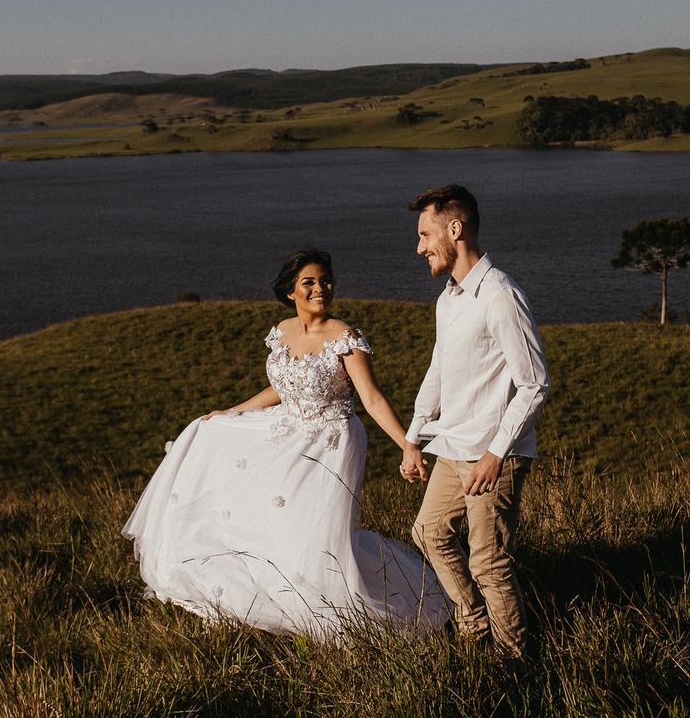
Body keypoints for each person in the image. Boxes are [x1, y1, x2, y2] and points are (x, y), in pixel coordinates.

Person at [122, 249, 450, 640]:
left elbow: (372, 398)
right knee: (238, 477)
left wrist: (407, 445)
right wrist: (233, 411)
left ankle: (342, 604)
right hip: (285, 430)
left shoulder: (345, 338)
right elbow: (282, 387)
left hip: (331, 440)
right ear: (291, 291)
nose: (320, 289)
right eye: (309, 282)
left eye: (325, 281)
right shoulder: (282, 330)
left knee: (314, 533)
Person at [399, 185, 550, 668]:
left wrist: (495, 454)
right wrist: (412, 437)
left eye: (426, 235)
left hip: (493, 456)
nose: (420, 247)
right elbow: (438, 371)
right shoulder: (449, 298)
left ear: (455, 230)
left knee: (488, 561)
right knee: (428, 533)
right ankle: (475, 626)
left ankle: (512, 664)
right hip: (454, 447)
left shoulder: (501, 295)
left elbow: (535, 384)